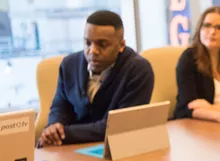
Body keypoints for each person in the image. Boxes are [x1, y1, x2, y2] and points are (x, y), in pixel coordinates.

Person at [37, 10, 154, 147]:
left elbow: (118, 127)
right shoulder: (69, 64)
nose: (92, 51)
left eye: (102, 45)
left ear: (121, 45)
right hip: (70, 150)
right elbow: (60, 106)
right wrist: (53, 127)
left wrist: (64, 133)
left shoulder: (138, 70)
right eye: (87, 43)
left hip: (115, 149)